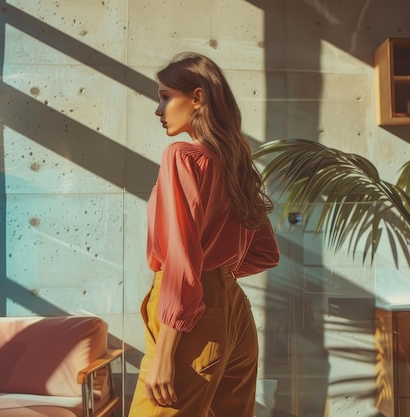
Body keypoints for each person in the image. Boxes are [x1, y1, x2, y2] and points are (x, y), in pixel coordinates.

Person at [128, 52, 280, 417]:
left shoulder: (181, 157)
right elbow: (265, 253)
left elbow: (181, 258)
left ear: (197, 98)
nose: (158, 108)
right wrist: (218, 277)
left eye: (165, 96)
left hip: (189, 318)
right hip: (234, 314)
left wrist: (166, 353)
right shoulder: (235, 163)